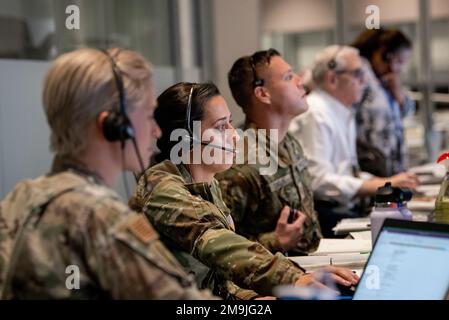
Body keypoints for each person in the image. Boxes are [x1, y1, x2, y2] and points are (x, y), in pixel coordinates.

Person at [0, 48, 214, 299]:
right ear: (114, 126)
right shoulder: (101, 217)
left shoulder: (20, 197)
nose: (156, 131)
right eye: (148, 115)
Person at [129, 81, 359, 299]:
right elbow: (220, 247)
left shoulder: (209, 183)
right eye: (221, 127)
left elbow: (218, 278)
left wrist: (252, 298)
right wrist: (294, 279)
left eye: (230, 123)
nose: (234, 135)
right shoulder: (161, 187)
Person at [290, 45, 418, 237]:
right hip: (327, 217)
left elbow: (347, 170)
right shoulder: (315, 113)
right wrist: (380, 184)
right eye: (358, 74)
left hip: (343, 211)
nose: (365, 81)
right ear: (333, 79)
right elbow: (318, 181)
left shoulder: (340, 110)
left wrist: (384, 183)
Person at [217, 49, 321, 255]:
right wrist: (276, 241)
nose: (300, 81)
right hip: (269, 280)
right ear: (263, 94)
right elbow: (218, 246)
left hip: (309, 262)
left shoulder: (289, 142)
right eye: (289, 77)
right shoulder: (240, 165)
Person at [351, 29, 414, 177]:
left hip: (391, 170)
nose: (398, 68)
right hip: (370, 170)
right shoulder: (361, 75)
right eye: (398, 61)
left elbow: (407, 111)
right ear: (386, 55)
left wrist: (398, 93)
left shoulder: (385, 80)